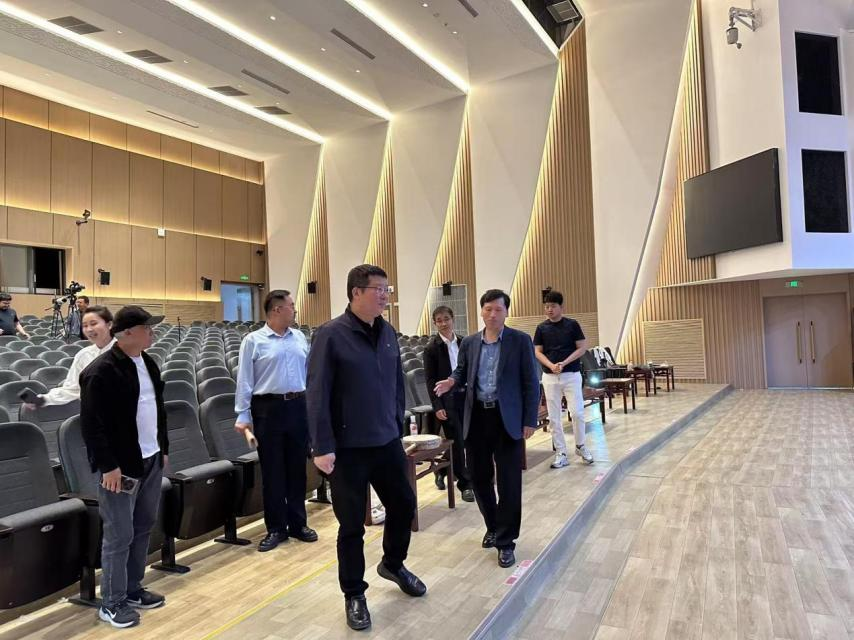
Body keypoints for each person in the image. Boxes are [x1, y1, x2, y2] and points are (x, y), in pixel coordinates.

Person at [307, 264, 425, 632]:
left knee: (403, 504)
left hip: (385, 440)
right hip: (347, 449)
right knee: (351, 526)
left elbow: (396, 384)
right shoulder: (330, 335)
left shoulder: (387, 332)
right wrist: (322, 446)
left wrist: (397, 421)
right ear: (356, 292)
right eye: (379, 289)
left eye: (388, 289)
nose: (385, 295)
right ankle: (354, 593)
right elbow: (317, 393)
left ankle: (392, 563)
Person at [434, 289, 539, 569]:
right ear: (481, 311)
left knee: (509, 482)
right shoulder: (470, 342)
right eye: (488, 309)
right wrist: (451, 381)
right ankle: (493, 526)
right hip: (477, 418)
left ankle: (506, 542)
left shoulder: (520, 340)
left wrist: (529, 420)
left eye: (498, 310)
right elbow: (461, 371)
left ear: (506, 312)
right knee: (479, 478)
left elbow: (531, 382)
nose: (492, 314)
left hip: (507, 420)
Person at [80, 306, 169, 629]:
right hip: (120, 467)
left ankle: (132, 588)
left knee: (143, 525)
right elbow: (92, 427)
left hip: (151, 458)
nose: (152, 332)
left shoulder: (148, 362)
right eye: (147, 327)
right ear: (127, 333)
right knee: (119, 534)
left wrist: (163, 448)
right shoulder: (100, 372)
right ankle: (111, 602)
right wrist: (108, 467)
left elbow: (157, 410)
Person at [234, 289, 317, 552]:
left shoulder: (299, 337)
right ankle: (276, 528)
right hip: (267, 409)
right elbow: (245, 380)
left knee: (297, 469)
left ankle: (298, 524)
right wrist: (243, 415)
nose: (295, 309)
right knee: (272, 472)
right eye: (291, 305)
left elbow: (308, 374)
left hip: (298, 406)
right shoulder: (253, 341)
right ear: (277, 310)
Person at [533, 290, 594, 468]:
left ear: (561, 307)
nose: (549, 309)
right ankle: (561, 452)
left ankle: (581, 446)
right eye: (546, 306)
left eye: (552, 306)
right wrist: (551, 365)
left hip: (571, 375)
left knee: (577, 413)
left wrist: (564, 362)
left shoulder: (572, 325)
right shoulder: (541, 328)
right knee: (554, 417)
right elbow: (537, 351)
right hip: (550, 377)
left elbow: (582, 348)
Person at [423, 305, 474, 502]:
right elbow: (430, 381)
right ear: (435, 323)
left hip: (466, 398)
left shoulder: (464, 342)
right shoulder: (431, 349)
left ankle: (442, 470)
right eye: (439, 321)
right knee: (458, 441)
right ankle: (465, 484)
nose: (443, 323)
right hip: (447, 401)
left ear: (453, 319)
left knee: (466, 439)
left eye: (446, 319)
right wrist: (437, 406)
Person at [25, 306, 115, 409]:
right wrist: (43, 399)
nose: (89, 329)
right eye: (85, 326)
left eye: (94, 324)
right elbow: (72, 389)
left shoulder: (126, 351)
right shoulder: (83, 355)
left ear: (109, 324)